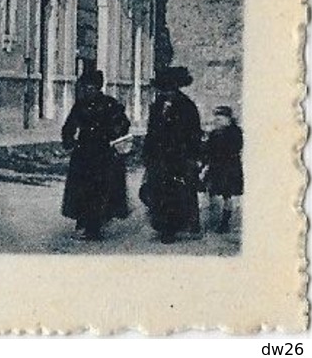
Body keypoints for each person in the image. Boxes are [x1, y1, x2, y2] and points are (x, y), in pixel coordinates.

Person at [60, 67, 131, 240]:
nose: (88, 90)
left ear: (98, 88)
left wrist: (115, 131)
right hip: (83, 152)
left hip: (103, 153)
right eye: (86, 87)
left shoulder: (110, 104)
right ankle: (84, 221)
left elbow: (123, 123)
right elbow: (69, 125)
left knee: (99, 190)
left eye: (91, 87)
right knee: (81, 189)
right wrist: (68, 139)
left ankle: (94, 226)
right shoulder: (80, 105)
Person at [141, 64, 204, 243]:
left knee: (177, 192)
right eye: (163, 90)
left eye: (170, 90)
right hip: (158, 156)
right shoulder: (157, 105)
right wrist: (147, 153)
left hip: (179, 157)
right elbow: (151, 131)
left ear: (176, 88)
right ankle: (163, 225)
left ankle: (173, 228)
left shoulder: (187, 106)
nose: (166, 93)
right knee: (158, 191)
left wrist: (193, 157)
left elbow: (194, 134)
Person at [202, 105, 243, 233]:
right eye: (216, 119)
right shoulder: (214, 133)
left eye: (219, 119)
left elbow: (235, 148)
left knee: (227, 195)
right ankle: (214, 219)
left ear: (228, 119)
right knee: (212, 192)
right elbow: (208, 149)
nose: (216, 122)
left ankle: (224, 222)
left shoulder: (235, 132)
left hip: (229, 168)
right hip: (216, 167)